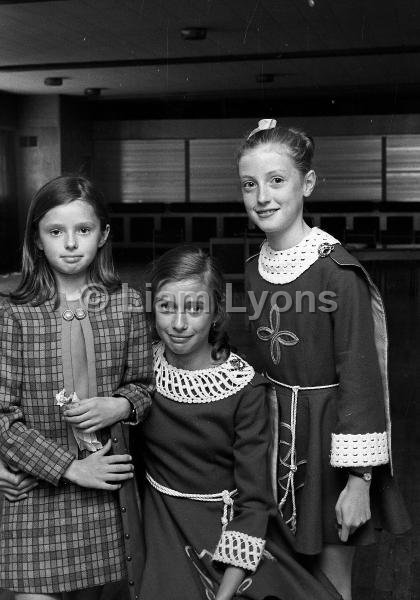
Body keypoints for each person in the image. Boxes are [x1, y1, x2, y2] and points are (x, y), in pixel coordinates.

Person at [239, 119, 411, 600]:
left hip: (330, 444)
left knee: (332, 587)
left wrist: (359, 482)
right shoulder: (254, 268)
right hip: (273, 440)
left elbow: (361, 377)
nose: (262, 197)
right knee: (280, 578)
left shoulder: (337, 272)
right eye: (250, 184)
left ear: (307, 184)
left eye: (277, 180)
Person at [136, 245, 341, 600]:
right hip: (162, 524)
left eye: (195, 308)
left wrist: (226, 592)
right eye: (167, 307)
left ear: (216, 312)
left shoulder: (243, 389)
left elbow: (253, 500)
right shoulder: (139, 370)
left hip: (228, 526)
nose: (179, 324)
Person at [0, 175, 154, 600]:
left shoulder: (124, 303)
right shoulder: (14, 313)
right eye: (56, 231)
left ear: (103, 234)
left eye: (83, 230)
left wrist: (121, 405)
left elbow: (144, 385)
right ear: (36, 239)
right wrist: (69, 469)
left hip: (106, 492)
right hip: (35, 492)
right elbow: (2, 415)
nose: (70, 243)